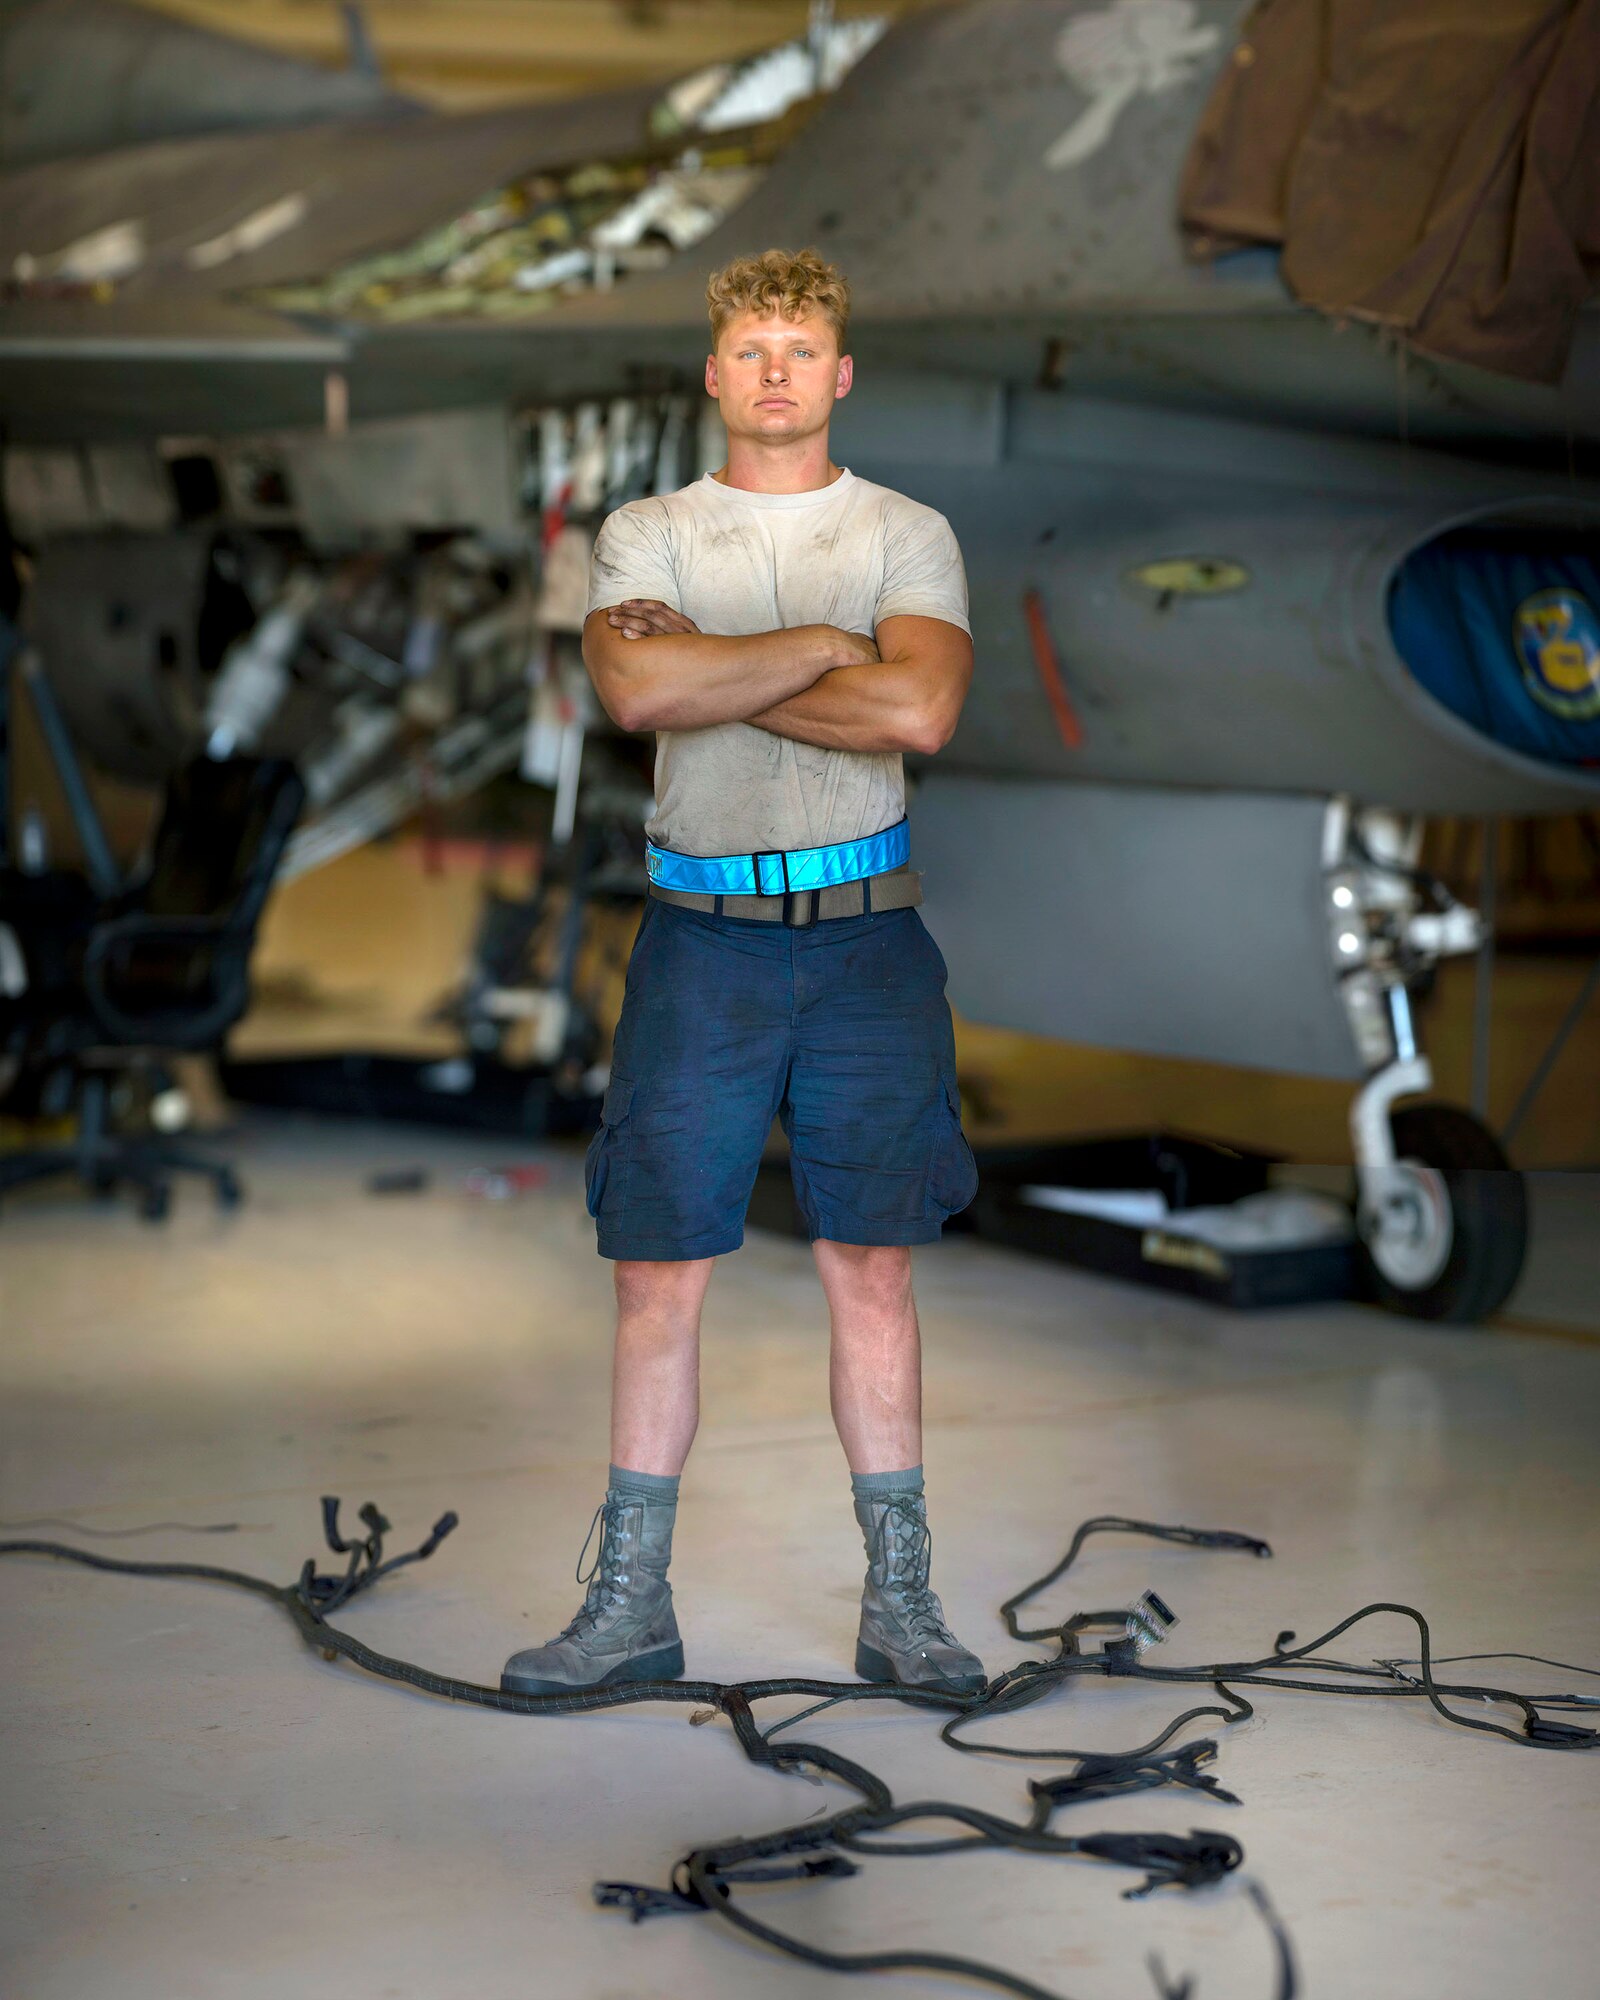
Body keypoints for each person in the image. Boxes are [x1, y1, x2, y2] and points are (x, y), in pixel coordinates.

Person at [502, 247, 982, 1699]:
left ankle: (902, 1607)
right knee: (656, 1276)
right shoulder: (646, 532)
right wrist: (825, 653)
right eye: (750, 349)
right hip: (698, 944)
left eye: (801, 349)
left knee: (873, 1274)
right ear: (713, 375)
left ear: (842, 376)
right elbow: (641, 693)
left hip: (868, 946)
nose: (776, 371)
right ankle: (629, 1609)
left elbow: (925, 709)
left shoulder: (908, 530)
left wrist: (732, 664)